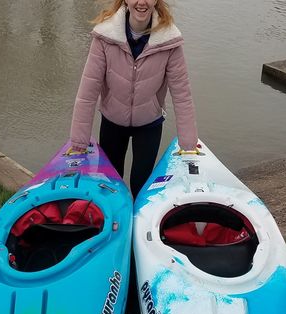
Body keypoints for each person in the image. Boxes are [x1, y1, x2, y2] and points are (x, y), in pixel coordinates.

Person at [69, 0, 198, 198]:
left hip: (149, 125)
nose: (141, 2)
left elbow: (182, 95)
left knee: (142, 185)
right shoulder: (105, 37)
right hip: (112, 123)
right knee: (111, 184)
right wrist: (79, 141)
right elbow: (88, 92)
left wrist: (188, 145)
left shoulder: (169, 40)